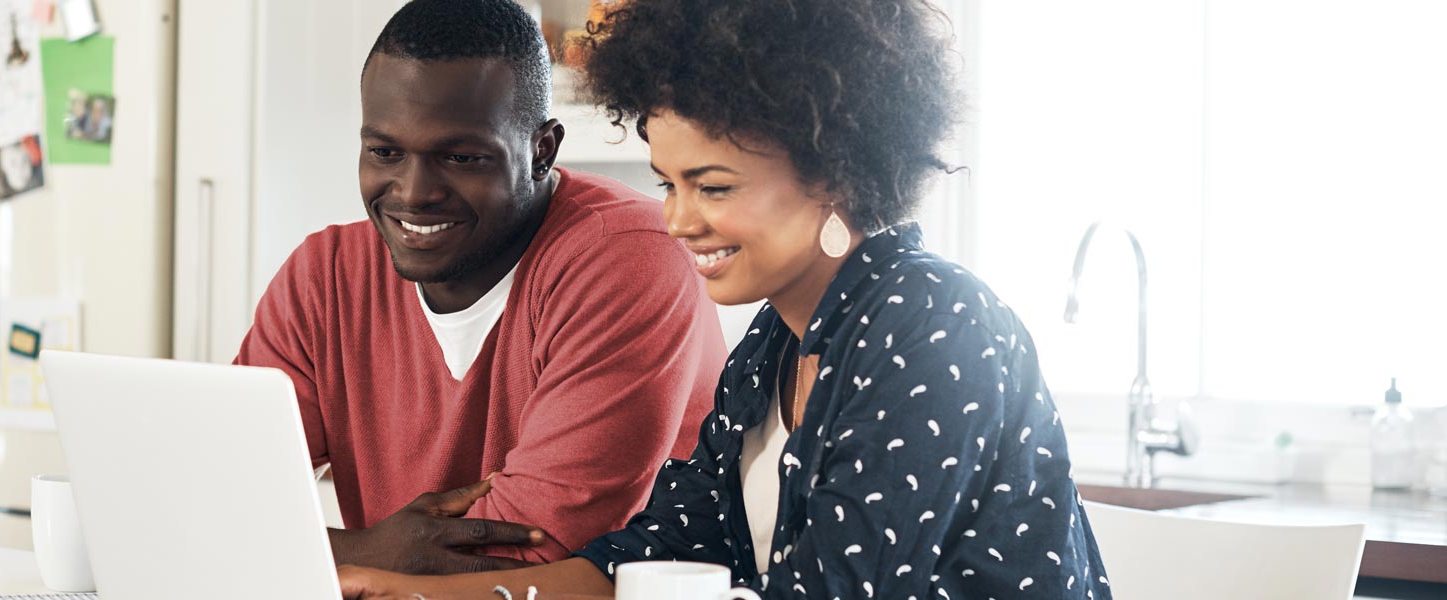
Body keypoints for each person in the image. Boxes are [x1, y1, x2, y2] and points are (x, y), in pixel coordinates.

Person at [335, 0, 1112, 598]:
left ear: (834, 172)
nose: (676, 219)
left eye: (712, 186)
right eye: (668, 183)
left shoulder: (936, 327)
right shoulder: (771, 349)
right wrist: (402, 588)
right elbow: (641, 563)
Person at [234, 0, 728, 576]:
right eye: (385, 151)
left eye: (461, 156)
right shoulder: (324, 276)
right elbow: (216, 501)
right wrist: (368, 551)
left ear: (542, 150)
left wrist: (307, 554)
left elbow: (536, 551)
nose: (414, 192)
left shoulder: (628, 256)